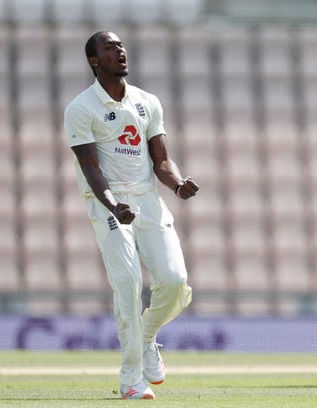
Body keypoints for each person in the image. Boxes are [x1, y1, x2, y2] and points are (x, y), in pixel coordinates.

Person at [63, 31, 199, 399]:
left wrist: (177, 183)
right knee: (126, 285)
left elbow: (162, 160)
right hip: (107, 203)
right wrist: (112, 204)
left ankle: (148, 336)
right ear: (94, 60)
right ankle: (131, 380)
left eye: (121, 46)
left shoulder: (146, 101)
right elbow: (91, 167)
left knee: (174, 281)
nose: (120, 51)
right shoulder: (80, 108)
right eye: (110, 48)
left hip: (148, 200)